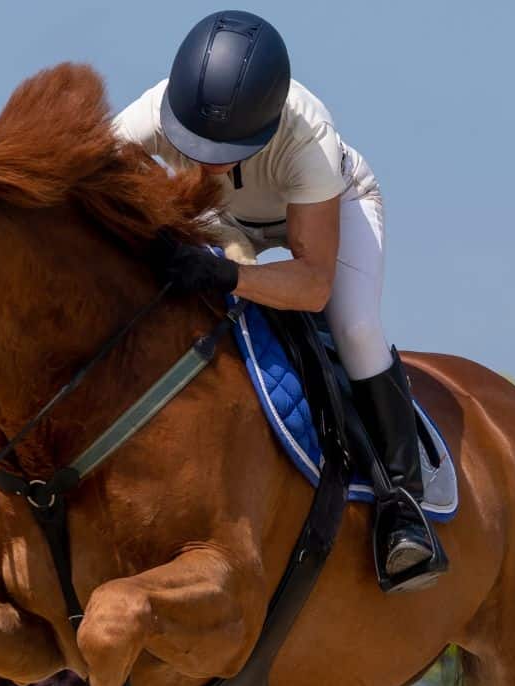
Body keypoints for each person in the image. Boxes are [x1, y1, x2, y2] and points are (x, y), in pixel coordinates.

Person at [114, 10, 447, 592]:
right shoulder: (155, 113)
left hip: (329, 214)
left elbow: (312, 281)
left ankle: (402, 505)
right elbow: (95, 177)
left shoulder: (306, 135)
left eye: (222, 148)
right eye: (195, 143)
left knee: (357, 328)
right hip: (222, 219)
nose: (204, 159)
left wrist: (227, 277)